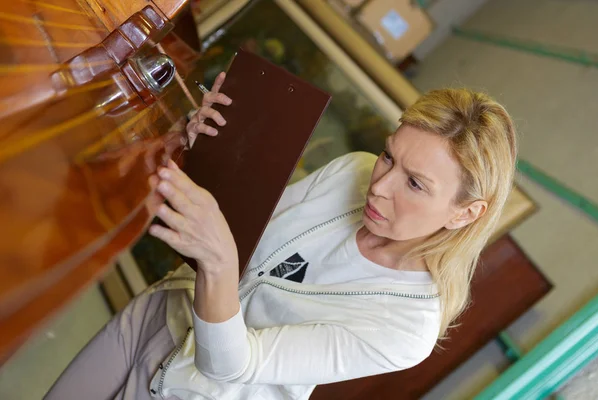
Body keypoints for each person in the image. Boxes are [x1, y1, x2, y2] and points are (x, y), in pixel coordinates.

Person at [46, 72, 517, 400]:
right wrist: (205, 150)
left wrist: (218, 264)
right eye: (389, 156)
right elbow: (240, 231)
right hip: (154, 317)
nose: (380, 185)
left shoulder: (406, 329)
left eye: (415, 184)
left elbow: (233, 365)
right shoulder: (352, 170)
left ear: (465, 214)